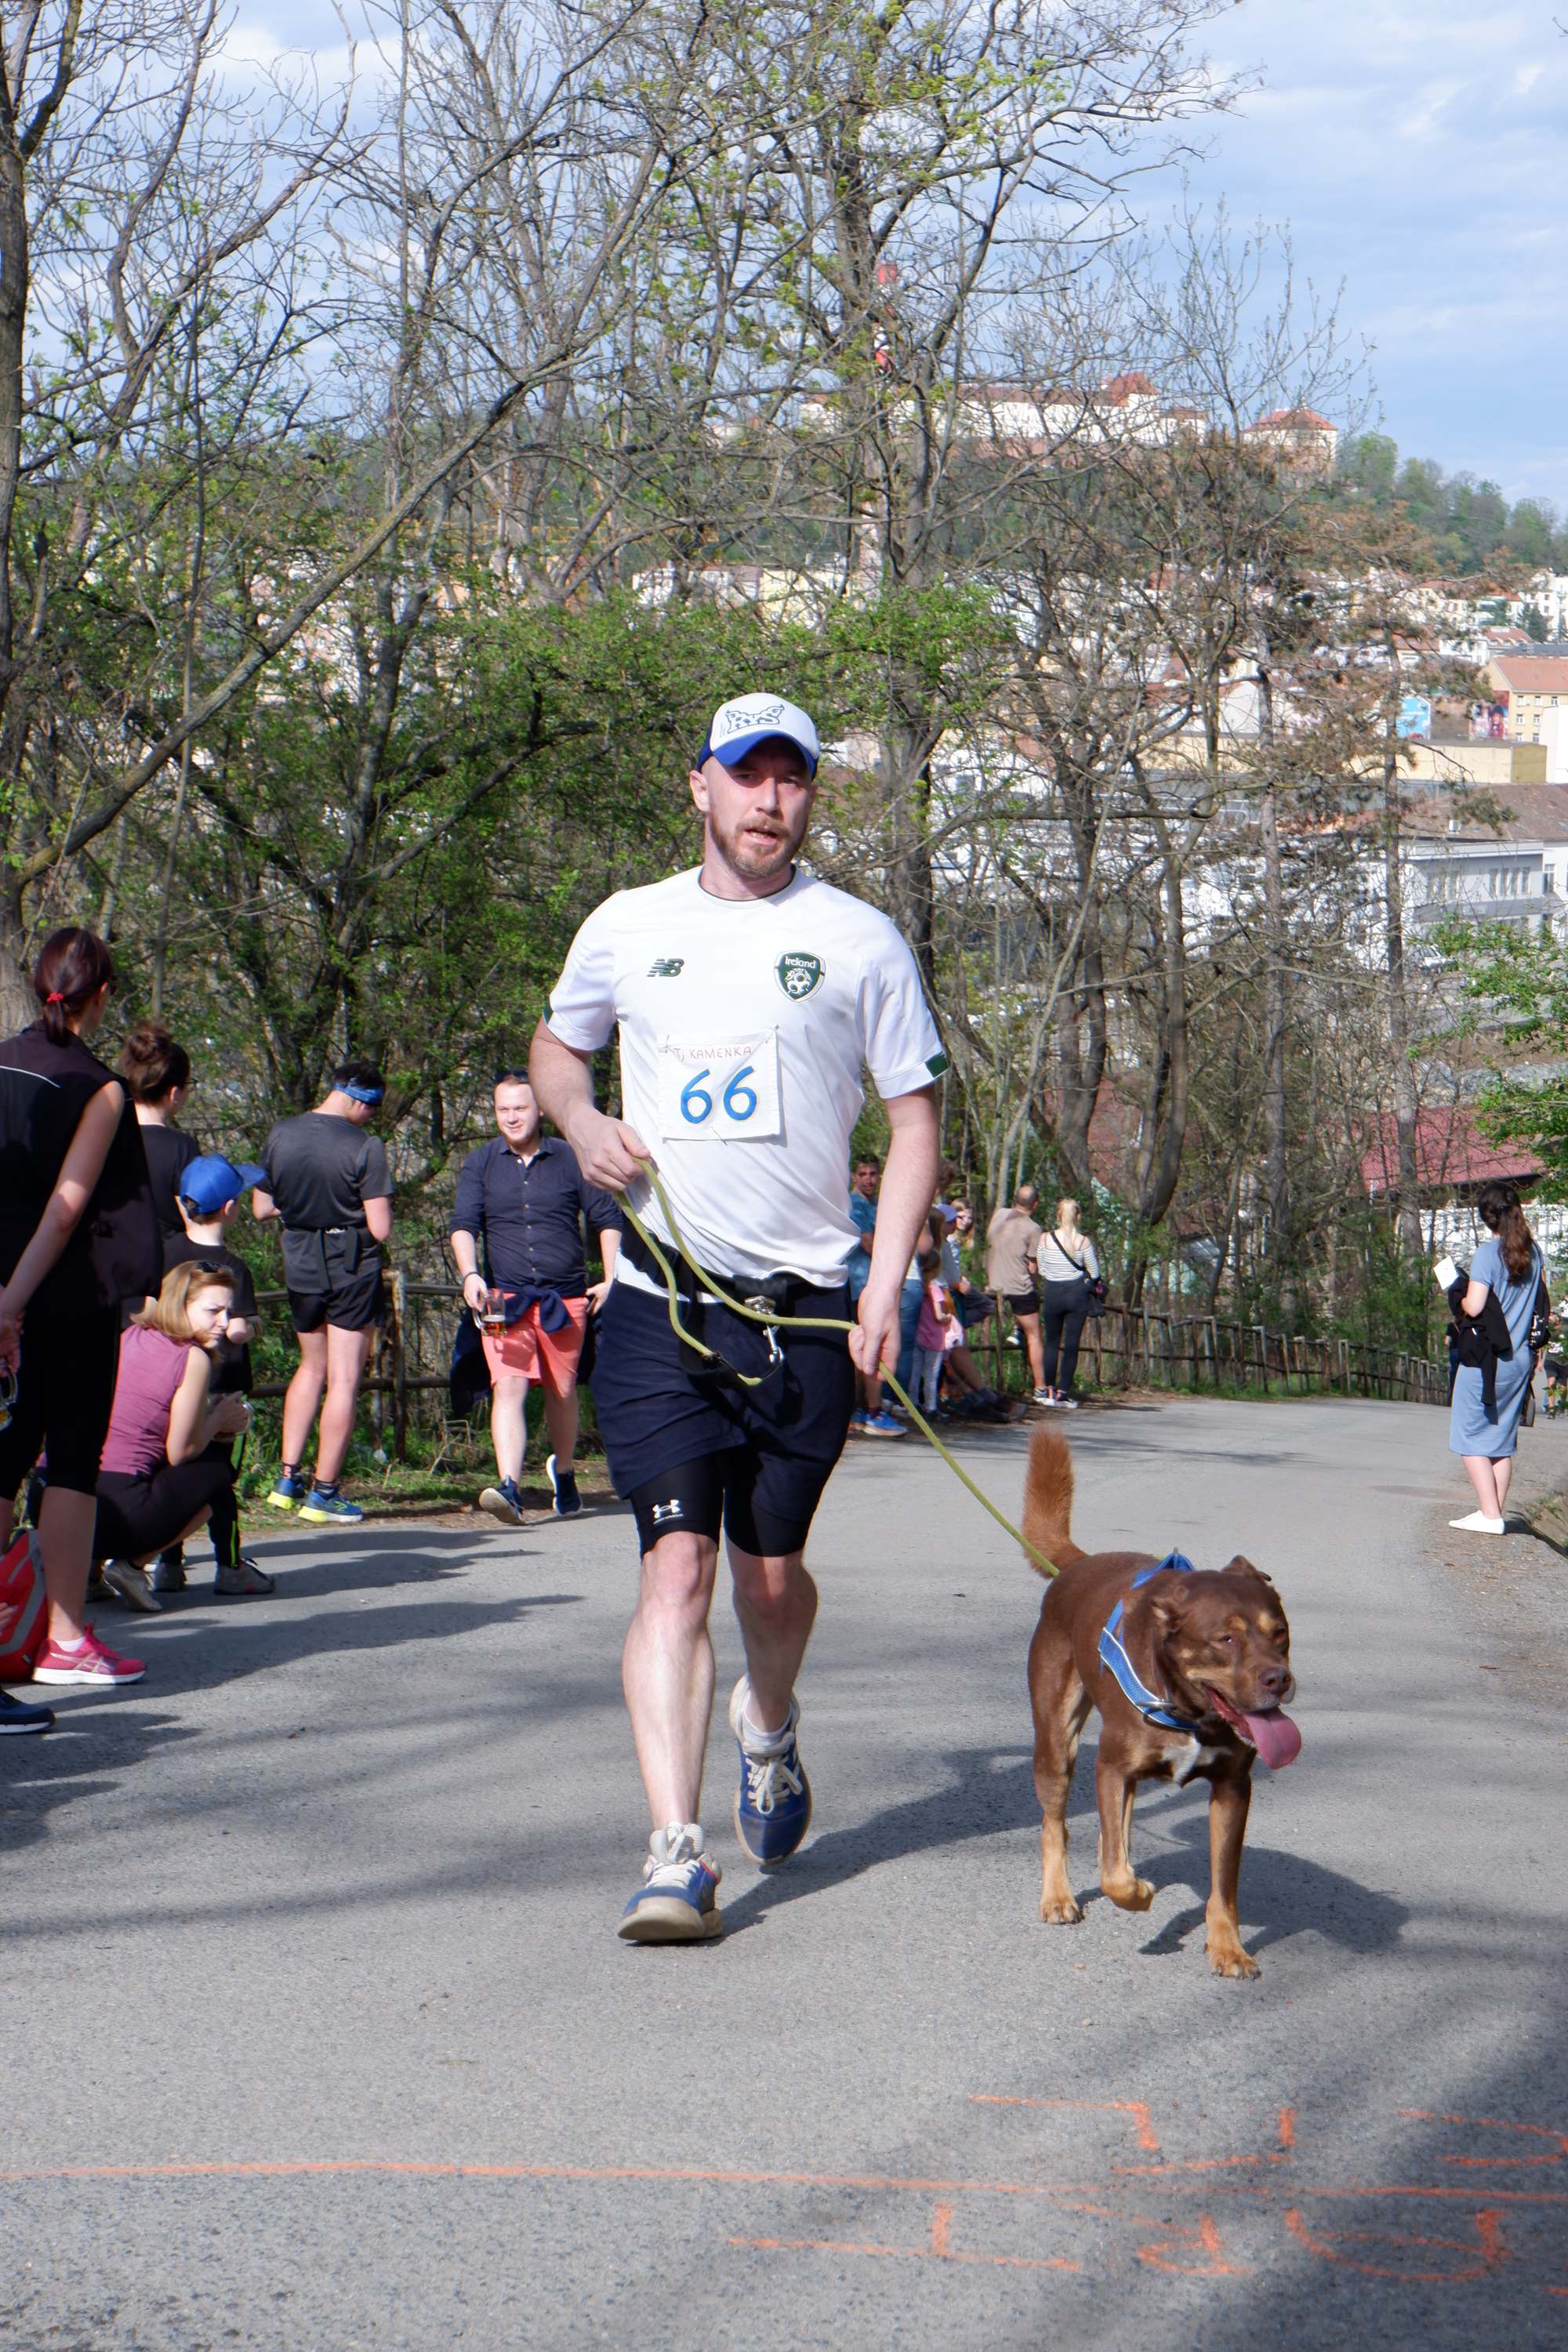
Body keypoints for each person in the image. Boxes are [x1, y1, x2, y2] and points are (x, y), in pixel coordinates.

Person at [530, 688, 942, 1942]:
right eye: (747, 774)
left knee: (768, 1582)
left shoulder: (860, 940)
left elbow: (915, 1123)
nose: (770, 799)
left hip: (804, 1314)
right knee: (676, 1570)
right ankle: (674, 1853)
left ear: (809, 793)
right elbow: (557, 1050)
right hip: (660, 1303)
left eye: (791, 777)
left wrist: (884, 1286)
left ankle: (768, 1726)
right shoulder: (628, 924)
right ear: (699, 784)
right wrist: (580, 1120)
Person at [0, 927, 159, 1702]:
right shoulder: (99, 1088)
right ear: (101, 997)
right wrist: (11, 1306)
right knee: (69, 1460)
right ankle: (64, 1639)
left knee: (5, 1451)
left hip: (7, 1292)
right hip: (63, 1301)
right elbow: (65, 1213)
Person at [450, 1072, 622, 1526]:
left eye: (520, 1108)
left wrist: (611, 1278)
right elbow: (464, 1224)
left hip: (564, 1300)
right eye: (503, 1109)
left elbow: (607, 1218)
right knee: (508, 1385)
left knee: (562, 1391)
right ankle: (509, 1486)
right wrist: (470, 1274)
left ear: (540, 1109)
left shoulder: (571, 1157)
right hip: (502, 1301)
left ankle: (563, 1471)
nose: (511, 1117)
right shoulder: (481, 1163)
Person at [253, 1061, 393, 1526]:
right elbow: (380, 1228)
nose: (371, 1117)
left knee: (310, 1367)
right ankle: (324, 1492)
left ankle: (286, 1481)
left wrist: (303, 1209)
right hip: (350, 1269)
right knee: (344, 1380)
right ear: (359, 1099)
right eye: (373, 1108)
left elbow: (261, 1208)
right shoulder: (365, 1146)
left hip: (301, 1266)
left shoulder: (282, 1134)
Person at [92, 1263, 250, 1607]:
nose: (225, 1322)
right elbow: (181, 1452)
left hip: (59, 1503)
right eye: (213, 1311)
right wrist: (219, 1419)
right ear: (179, 1305)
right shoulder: (192, 1357)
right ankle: (132, 1566)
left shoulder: (130, 1336)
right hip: (118, 1516)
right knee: (217, 1473)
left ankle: (90, 1574)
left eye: (228, 1311)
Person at [155, 1155, 274, 1598]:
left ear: (181, 1204)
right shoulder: (232, 1267)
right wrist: (255, 1324)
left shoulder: (163, 1254)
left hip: (169, 1386)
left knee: (173, 1472)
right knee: (220, 1479)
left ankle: (168, 1564)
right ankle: (230, 1565)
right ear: (231, 1208)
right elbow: (237, 1331)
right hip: (223, 1391)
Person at [1447, 1181, 1544, 1534]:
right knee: (1500, 1442)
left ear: (1486, 1216)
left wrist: (1455, 1292)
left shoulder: (1488, 1255)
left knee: (1467, 1437)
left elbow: (1474, 1307)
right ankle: (1494, 1512)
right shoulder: (1534, 1254)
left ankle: (1490, 1516)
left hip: (1487, 1361)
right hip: (1519, 1361)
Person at [120, 1022, 200, 1242]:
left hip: (111, 1257)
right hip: (167, 1258)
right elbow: (196, 1224)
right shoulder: (182, 1149)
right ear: (174, 1093)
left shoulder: (105, 1138)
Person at [846, 1154, 902, 1437]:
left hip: (874, 1285)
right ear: (854, 1176)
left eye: (873, 1174)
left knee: (867, 1347)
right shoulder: (853, 1205)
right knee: (870, 1347)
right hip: (858, 1285)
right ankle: (872, 1412)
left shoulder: (877, 1204)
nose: (868, 1179)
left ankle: (863, 1409)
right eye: (863, 1174)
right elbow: (870, 1244)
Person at [1036, 1196, 1101, 1410]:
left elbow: (1042, 1268)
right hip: (1076, 1294)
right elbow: (1095, 1273)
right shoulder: (1083, 1242)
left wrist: (1055, 1276)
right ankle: (1063, 1392)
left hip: (1053, 1292)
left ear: (1057, 1215)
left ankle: (1049, 1391)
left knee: (1051, 1342)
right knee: (1072, 1345)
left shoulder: (1045, 1239)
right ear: (1078, 1217)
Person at [986, 1183, 1047, 1399]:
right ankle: (1040, 1387)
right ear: (1035, 1205)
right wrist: (1035, 1282)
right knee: (1035, 1335)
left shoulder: (999, 1214)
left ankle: (1016, 1329)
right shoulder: (1034, 1228)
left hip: (994, 1282)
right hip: (1018, 1286)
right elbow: (1033, 1266)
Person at [911, 1243, 956, 1414]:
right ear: (937, 1268)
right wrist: (948, 1318)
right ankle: (931, 1406)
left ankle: (912, 1403)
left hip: (919, 1335)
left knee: (915, 1373)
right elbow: (938, 1315)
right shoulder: (935, 1289)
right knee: (931, 1374)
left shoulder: (918, 1287)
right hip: (934, 1339)